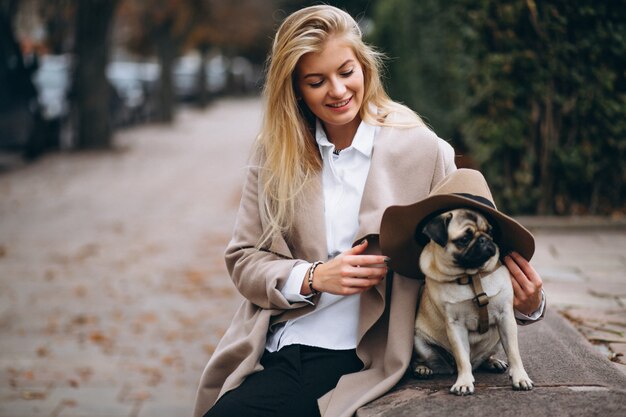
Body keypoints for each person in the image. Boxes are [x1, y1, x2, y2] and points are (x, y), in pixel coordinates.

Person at [194, 5, 545, 417]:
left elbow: (482, 239)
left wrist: (530, 305)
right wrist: (312, 277)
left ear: (364, 66)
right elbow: (244, 258)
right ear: (294, 90)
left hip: (364, 350)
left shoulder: (421, 148)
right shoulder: (275, 155)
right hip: (277, 341)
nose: (338, 91)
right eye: (316, 81)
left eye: (346, 72)